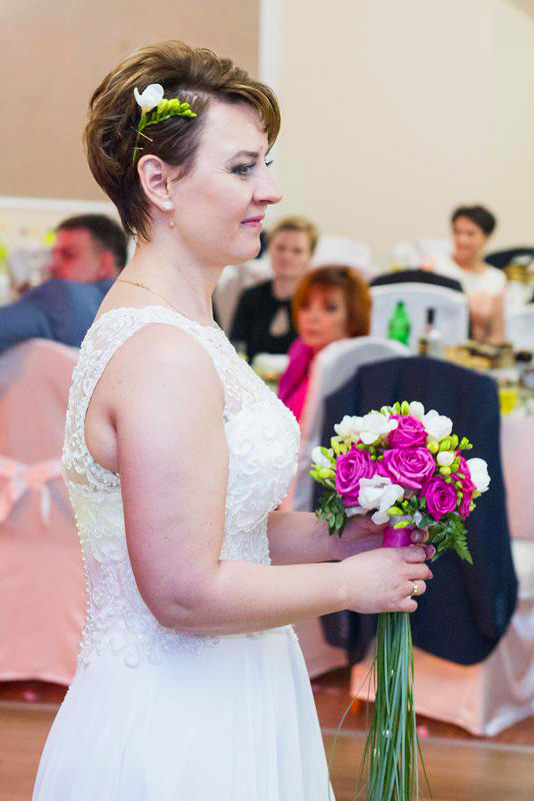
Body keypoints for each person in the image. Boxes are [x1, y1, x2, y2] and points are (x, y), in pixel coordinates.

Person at [32, 41, 433, 801]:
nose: (270, 191)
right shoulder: (161, 351)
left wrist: (338, 535)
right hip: (178, 722)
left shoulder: (190, 328)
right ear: (159, 181)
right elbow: (183, 591)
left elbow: (226, 529)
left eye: (265, 164)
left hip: (239, 691)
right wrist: (349, 582)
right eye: (243, 168)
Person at [0, 215, 127, 354]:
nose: (52, 265)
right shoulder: (135, 306)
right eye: (53, 255)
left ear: (104, 265)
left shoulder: (60, 295)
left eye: (68, 255)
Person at [278, 266, 371, 423]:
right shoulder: (301, 352)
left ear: (353, 317)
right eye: (305, 305)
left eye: (329, 308)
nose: (312, 317)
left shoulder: (352, 374)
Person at [229, 215, 318, 361]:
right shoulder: (251, 297)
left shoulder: (317, 303)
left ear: (310, 256)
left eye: (297, 251)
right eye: (280, 248)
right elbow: (236, 348)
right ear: (269, 250)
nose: (287, 256)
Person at [427, 205, 506, 341]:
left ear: (487, 237)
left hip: (475, 350)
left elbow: (497, 334)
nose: (461, 240)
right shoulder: (435, 265)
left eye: (470, 234)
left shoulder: (496, 279)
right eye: (457, 232)